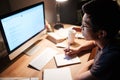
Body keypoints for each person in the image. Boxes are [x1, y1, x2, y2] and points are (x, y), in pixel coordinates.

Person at [64, 0, 120, 80]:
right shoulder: (109, 39)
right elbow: (94, 42)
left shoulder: (109, 58)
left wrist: (90, 62)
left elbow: (77, 79)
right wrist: (78, 49)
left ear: (101, 33)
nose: (81, 28)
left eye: (85, 25)